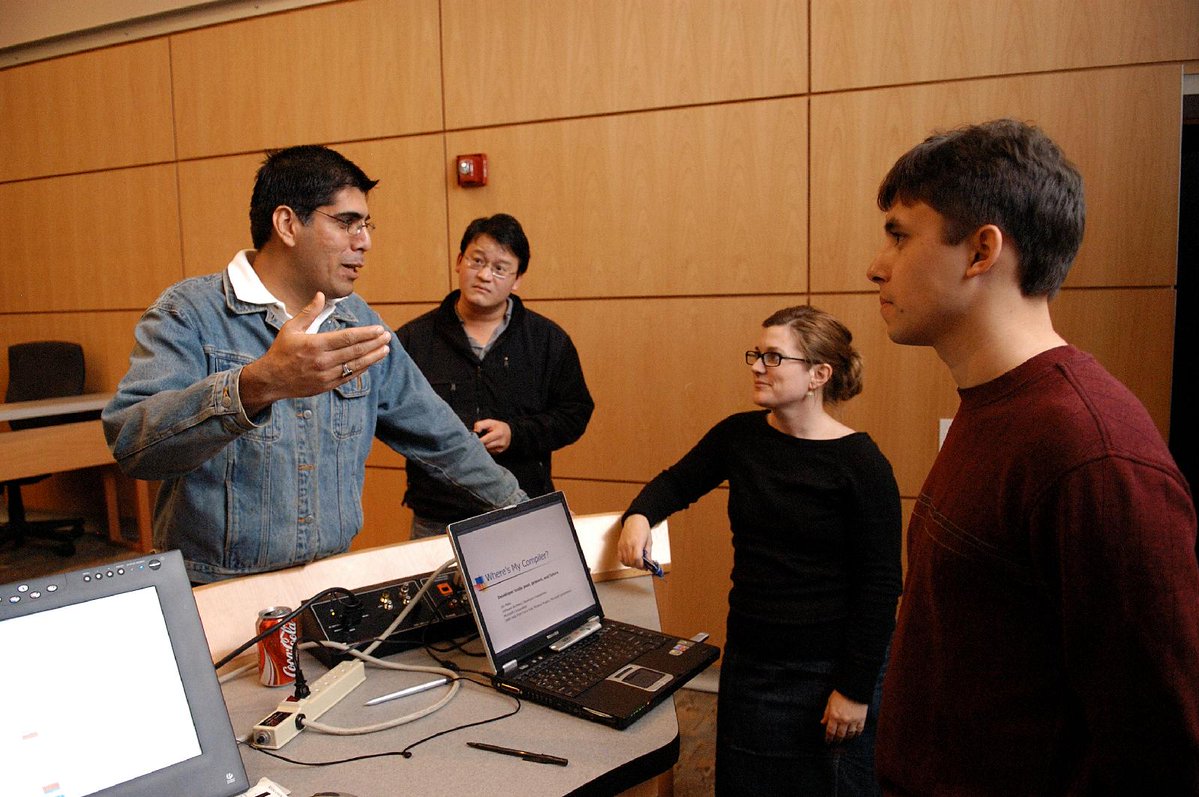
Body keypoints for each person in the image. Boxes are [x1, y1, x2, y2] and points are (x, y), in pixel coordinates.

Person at [866, 119, 1199, 794]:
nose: (877, 264)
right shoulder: (995, 405)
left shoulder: (1092, 451)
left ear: (982, 249)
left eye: (900, 234)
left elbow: (1159, 750)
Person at [102, 145, 526, 584]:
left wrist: (522, 507)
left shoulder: (357, 320)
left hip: (328, 585)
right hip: (215, 586)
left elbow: (441, 436)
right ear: (287, 224)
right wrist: (256, 385)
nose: (365, 241)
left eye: (366, 225)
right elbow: (133, 441)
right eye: (346, 223)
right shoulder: (189, 313)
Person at [617, 305, 902, 796]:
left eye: (773, 357)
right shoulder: (739, 436)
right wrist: (639, 517)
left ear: (818, 374)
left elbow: (880, 587)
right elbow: (677, 482)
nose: (756, 366)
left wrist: (854, 690)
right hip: (752, 659)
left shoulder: (862, 463)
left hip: (830, 668)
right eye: (756, 354)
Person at [396, 213, 593, 537]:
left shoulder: (546, 340)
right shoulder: (414, 339)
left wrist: (516, 434)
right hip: (438, 515)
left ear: (517, 279)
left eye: (500, 268)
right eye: (477, 260)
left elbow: (575, 413)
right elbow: (393, 417)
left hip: (523, 507)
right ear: (459, 261)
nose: (485, 275)